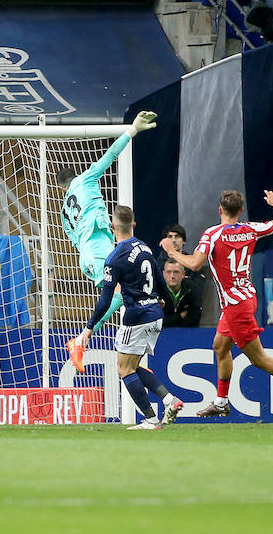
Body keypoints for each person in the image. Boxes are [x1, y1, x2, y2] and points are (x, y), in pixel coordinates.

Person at [163, 188, 273, 417]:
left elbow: (195, 264)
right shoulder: (249, 229)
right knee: (220, 346)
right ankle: (221, 402)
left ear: (220, 210)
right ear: (240, 211)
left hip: (236, 307)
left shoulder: (213, 234)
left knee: (259, 359)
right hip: (245, 298)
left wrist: (172, 252)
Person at [73, 205, 182, 429]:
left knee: (124, 369)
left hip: (138, 316)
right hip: (155, 314)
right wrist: (161, 299)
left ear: (112, 226)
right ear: (133, 224)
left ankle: (151, 419)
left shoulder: (115, 257)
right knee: (132, 366)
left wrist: (89, 328)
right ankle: (169, 400)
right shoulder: (145, 248)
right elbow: (160, 281)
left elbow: (105, 300)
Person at [59, 113, 156, 364]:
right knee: (120, 296)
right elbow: (110, 155)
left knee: (125, 294)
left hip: (91, 253)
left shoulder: (63, 211)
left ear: (62, 187)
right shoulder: (86, 179)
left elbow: (73, 240)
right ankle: (80, 341)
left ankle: (127, 355)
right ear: (75, 177)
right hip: (98, 250)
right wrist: (132, 131)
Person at [159, 256, 202, 327]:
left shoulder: (192, 288)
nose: (172, 276)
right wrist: (179, 317)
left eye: (176, 272)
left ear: (183, 274)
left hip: (187, 332)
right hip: (162, 333)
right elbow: (156, 321)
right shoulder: (157, 290)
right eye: (169, 272)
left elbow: (195, 318)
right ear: (164, 274)